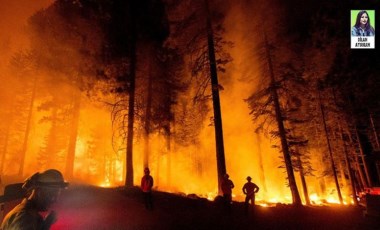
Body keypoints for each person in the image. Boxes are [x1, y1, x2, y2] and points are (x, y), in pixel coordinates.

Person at [1, 169, 68, 230]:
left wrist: (45, 225)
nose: (55, 200)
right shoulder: (25, 218)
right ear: (39, 192)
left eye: (57, 195)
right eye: (52, 195)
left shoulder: (26, 214)